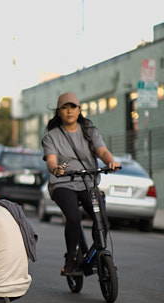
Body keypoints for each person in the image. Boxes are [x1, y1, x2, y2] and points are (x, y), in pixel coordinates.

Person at [41, 92, 119, 276]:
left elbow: (102, 150)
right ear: (58, 111)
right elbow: (51, 159)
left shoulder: (89, 130)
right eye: (65, 107)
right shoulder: (51, 137)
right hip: (63, 184)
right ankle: (72, 259)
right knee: (74, 218)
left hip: (87, 182)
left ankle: (96, 253)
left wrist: (111, 161)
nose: (69, 111)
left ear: (79, 109)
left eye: (73, 107)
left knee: (102, 220)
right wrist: (55, 169)